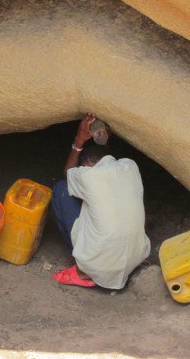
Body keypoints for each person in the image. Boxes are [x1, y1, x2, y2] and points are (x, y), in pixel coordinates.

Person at [52, 113, 151, 289]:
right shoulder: (130, 166)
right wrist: (103, 139)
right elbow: (104, 159)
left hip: (98, 267)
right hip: (135, 258)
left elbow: (68, 174)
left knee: (61, 189)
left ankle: (84, 271)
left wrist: (79, 141)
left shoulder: (89, 176)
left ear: (85, 164)